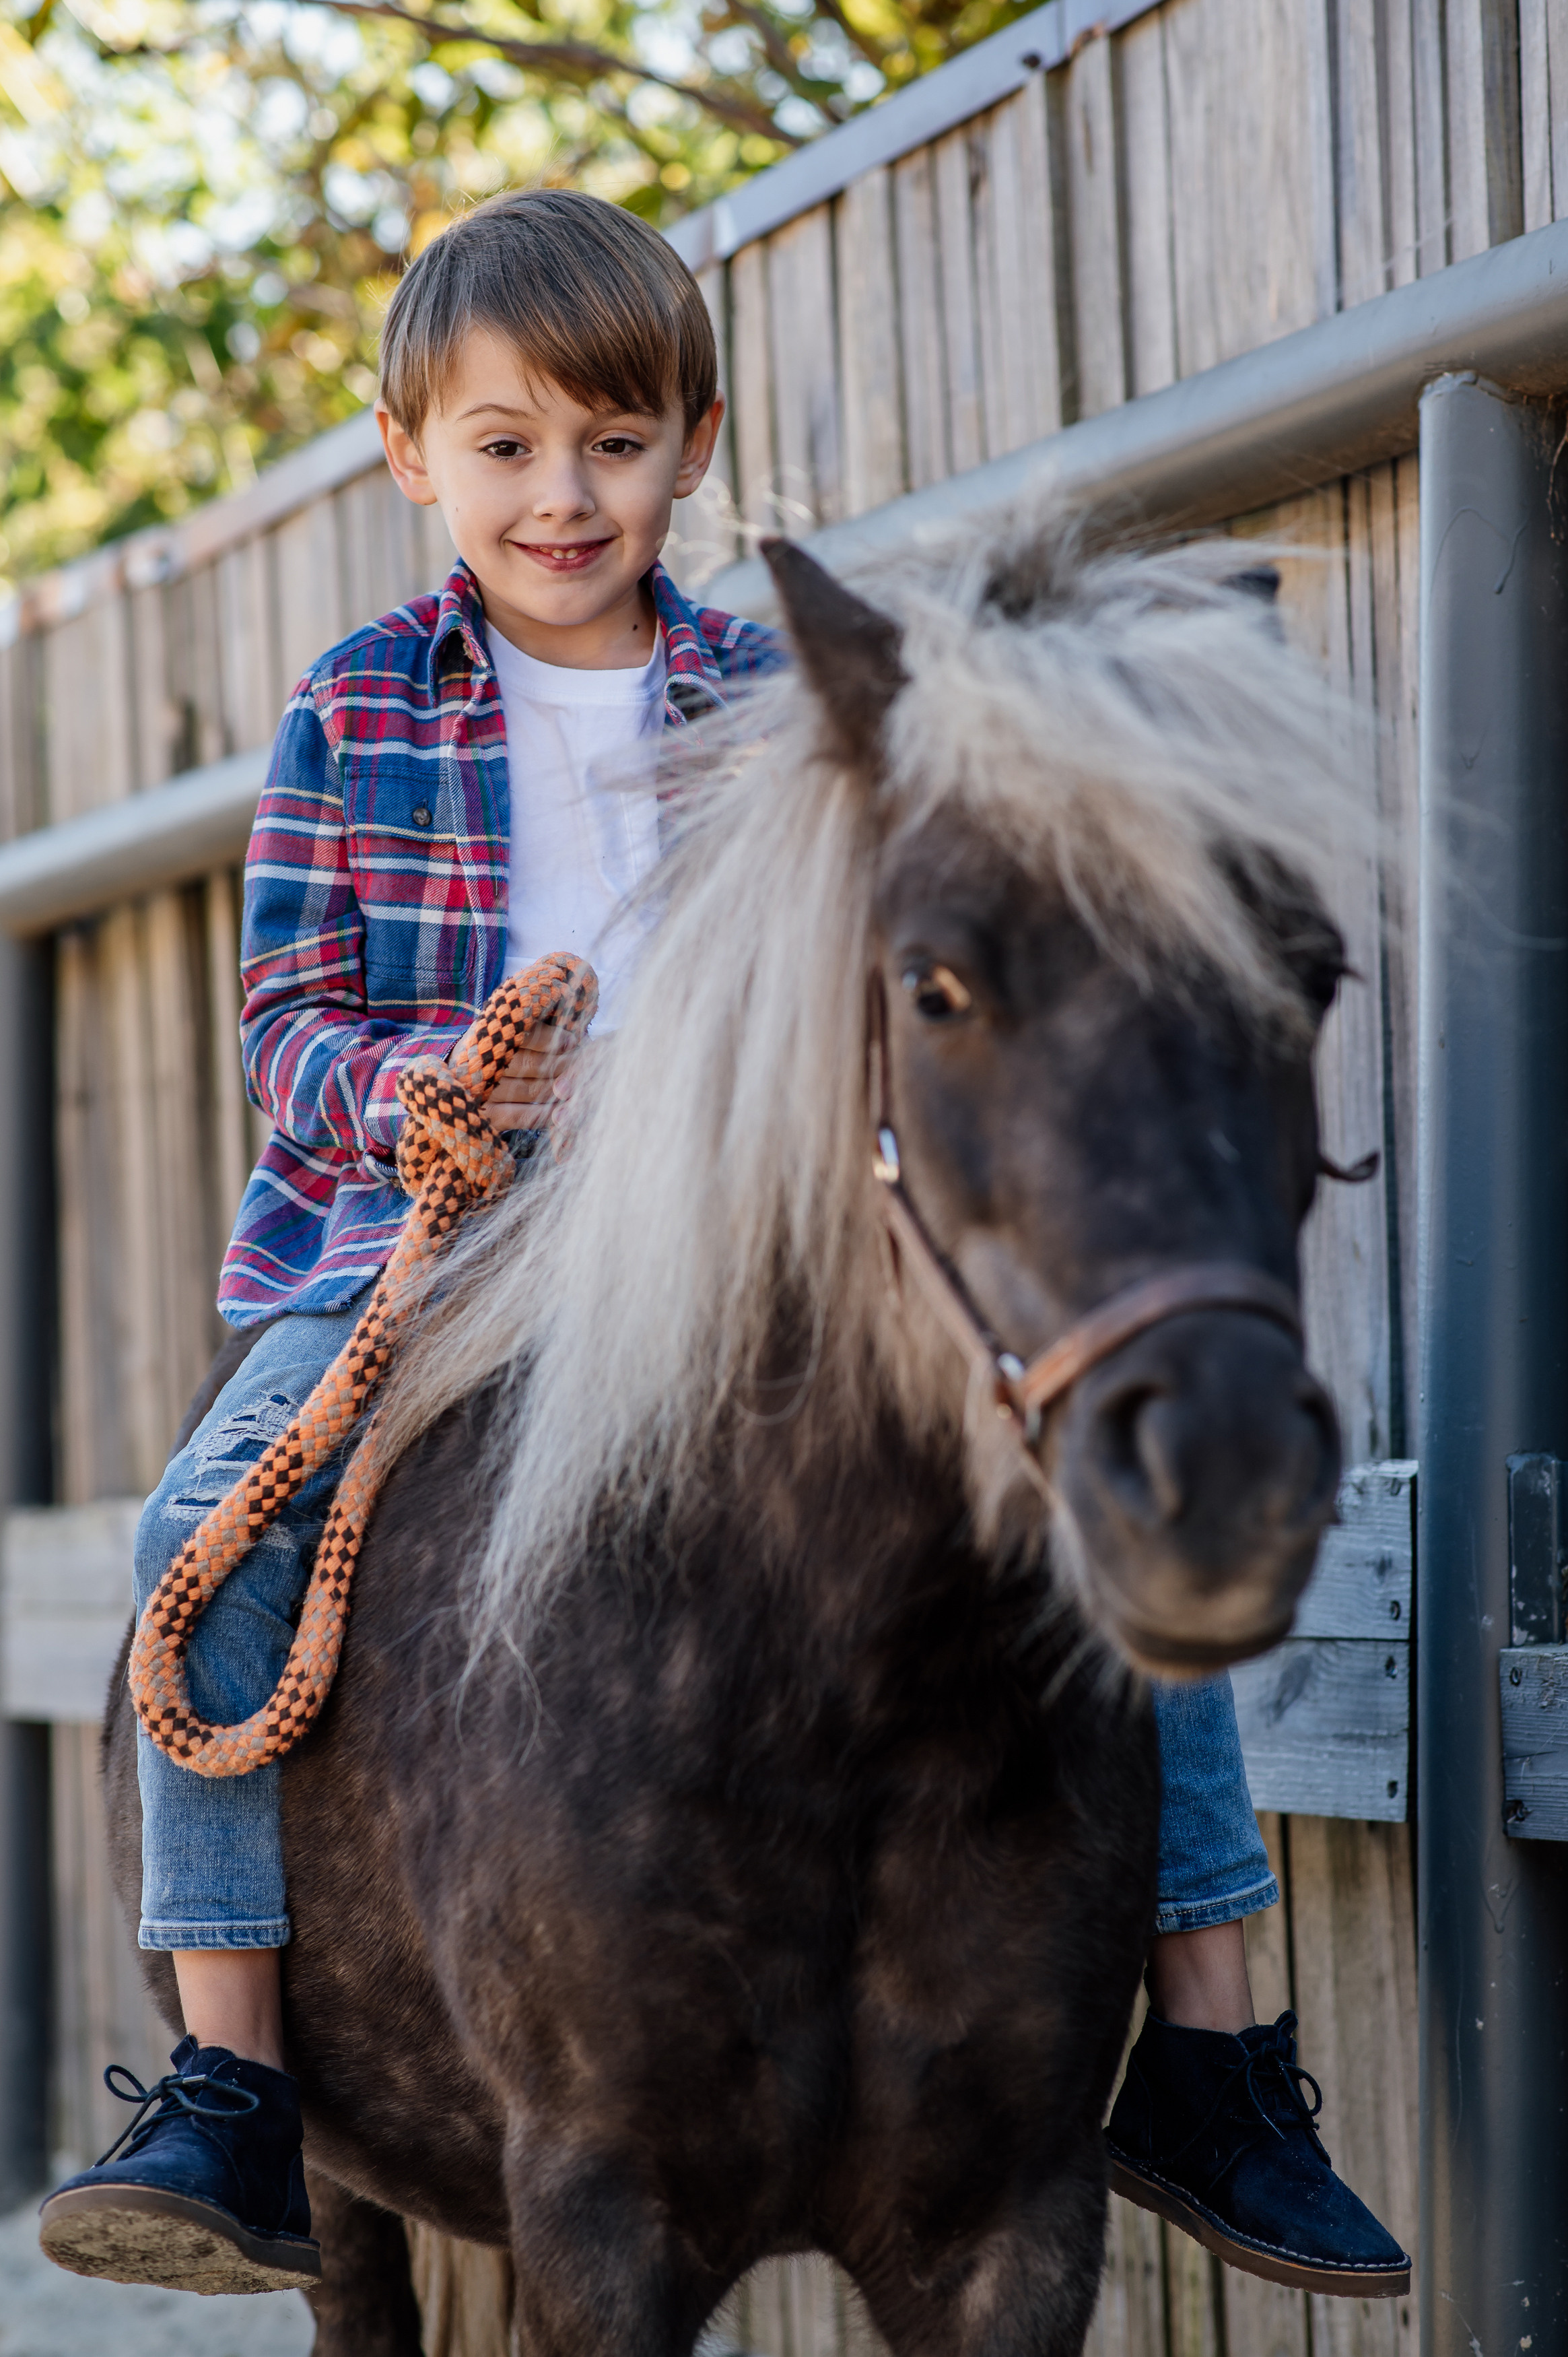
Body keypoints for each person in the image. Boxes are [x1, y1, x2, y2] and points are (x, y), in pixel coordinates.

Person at [38, 187, 1405, 2304]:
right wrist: (423, 1099)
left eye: (611, 440)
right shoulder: (363, 703)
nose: (559, 494)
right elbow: (285, 1019)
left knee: (1081, 1524)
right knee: (198, 1546)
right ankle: (227, 2083)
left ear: (688, 440)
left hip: (732, 1241)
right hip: (425, 1242)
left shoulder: (778, 690)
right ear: (417, 459)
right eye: (503, 447)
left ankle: (1218, 2048)